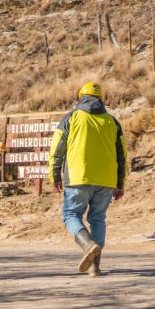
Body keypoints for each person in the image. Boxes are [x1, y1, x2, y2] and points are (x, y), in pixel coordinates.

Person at [49, 82, 127, 277]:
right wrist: (120, 184)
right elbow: (122, 156)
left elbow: (56, 150)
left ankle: (88, 245)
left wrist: (54, 175)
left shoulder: (72, 118)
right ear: (101, 99)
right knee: (98, 219)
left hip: (78, 177)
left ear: (81, 96)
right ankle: (95, 267)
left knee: (70, 215)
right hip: (106, 180)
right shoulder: (112, 122)